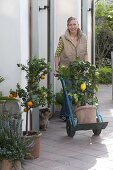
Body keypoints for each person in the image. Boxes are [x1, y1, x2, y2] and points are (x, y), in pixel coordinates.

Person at [54, 17, 88, 121]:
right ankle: (68, 116)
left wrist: (86, 67)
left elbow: (85, 53)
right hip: (66, 69)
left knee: (77, 91)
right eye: (70, 25)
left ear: (78, 25)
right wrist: (56, 68)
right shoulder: (63, 38)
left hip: (79, 69)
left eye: (74, 24)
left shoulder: (84, 38)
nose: (72, 27)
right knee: (68, 92)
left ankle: (64, 113)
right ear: (67, 26)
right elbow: (57, 54)